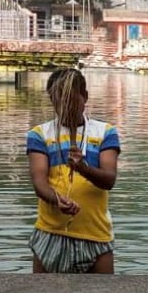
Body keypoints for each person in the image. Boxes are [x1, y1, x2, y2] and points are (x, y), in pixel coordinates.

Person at [26, 68, 120, 273]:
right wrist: (56, 199)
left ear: (84, 97)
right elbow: (39, 182)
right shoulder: (39, 134)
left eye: (70, 99)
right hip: (50, 232)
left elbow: (109, 180)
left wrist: (83, 168)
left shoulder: (105, 132)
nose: (64, 106)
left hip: (96, 235)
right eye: (58, 100)